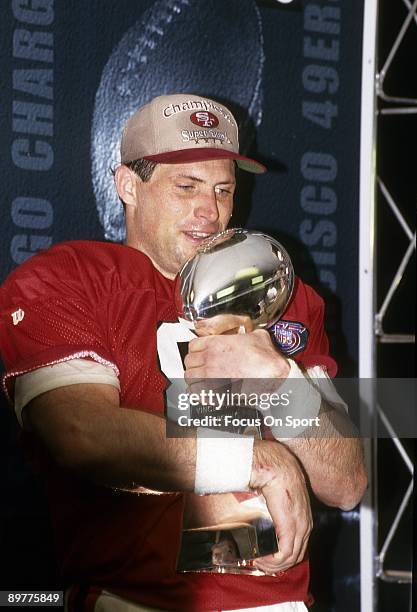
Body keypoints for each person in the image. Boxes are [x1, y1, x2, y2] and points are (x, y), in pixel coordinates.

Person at [0, 93, 367, 612]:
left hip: (281, 602)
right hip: (136, 599)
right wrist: (253, 461)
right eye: (186, 187)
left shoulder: (281, 294)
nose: (209, 211)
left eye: (223, 190)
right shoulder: (67, 278)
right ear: (128, 185)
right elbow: (81, 434)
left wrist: (280, 381)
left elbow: (348, 482)